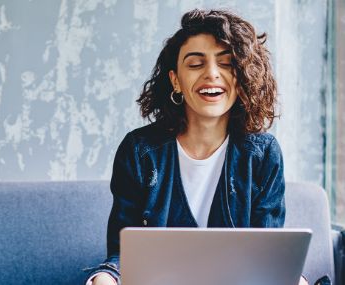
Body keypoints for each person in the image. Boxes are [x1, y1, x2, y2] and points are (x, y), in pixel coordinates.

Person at [84, 9, 309, 285]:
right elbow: (123, 253)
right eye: (195, 64)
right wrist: (106, 276)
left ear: (243, 79)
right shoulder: (139, 151)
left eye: (227, 64)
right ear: (176, 80)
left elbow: (268, 256)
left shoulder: (264, 155)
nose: (212, 74)